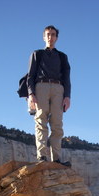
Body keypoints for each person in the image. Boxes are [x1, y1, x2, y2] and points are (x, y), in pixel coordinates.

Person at [27, 25, 71, 166]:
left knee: (57, 124)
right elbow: (30, 75)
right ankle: (42, 157)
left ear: (56, 38)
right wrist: (31, 93)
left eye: (53, 34)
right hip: (41, 87)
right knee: (41, 121)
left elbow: (67, 78)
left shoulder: (62, 57)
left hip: (59, 88)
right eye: (48, 34)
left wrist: (67, 96)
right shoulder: (37, 54)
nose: (50, 37)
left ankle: (56, 159)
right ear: (44, 37)